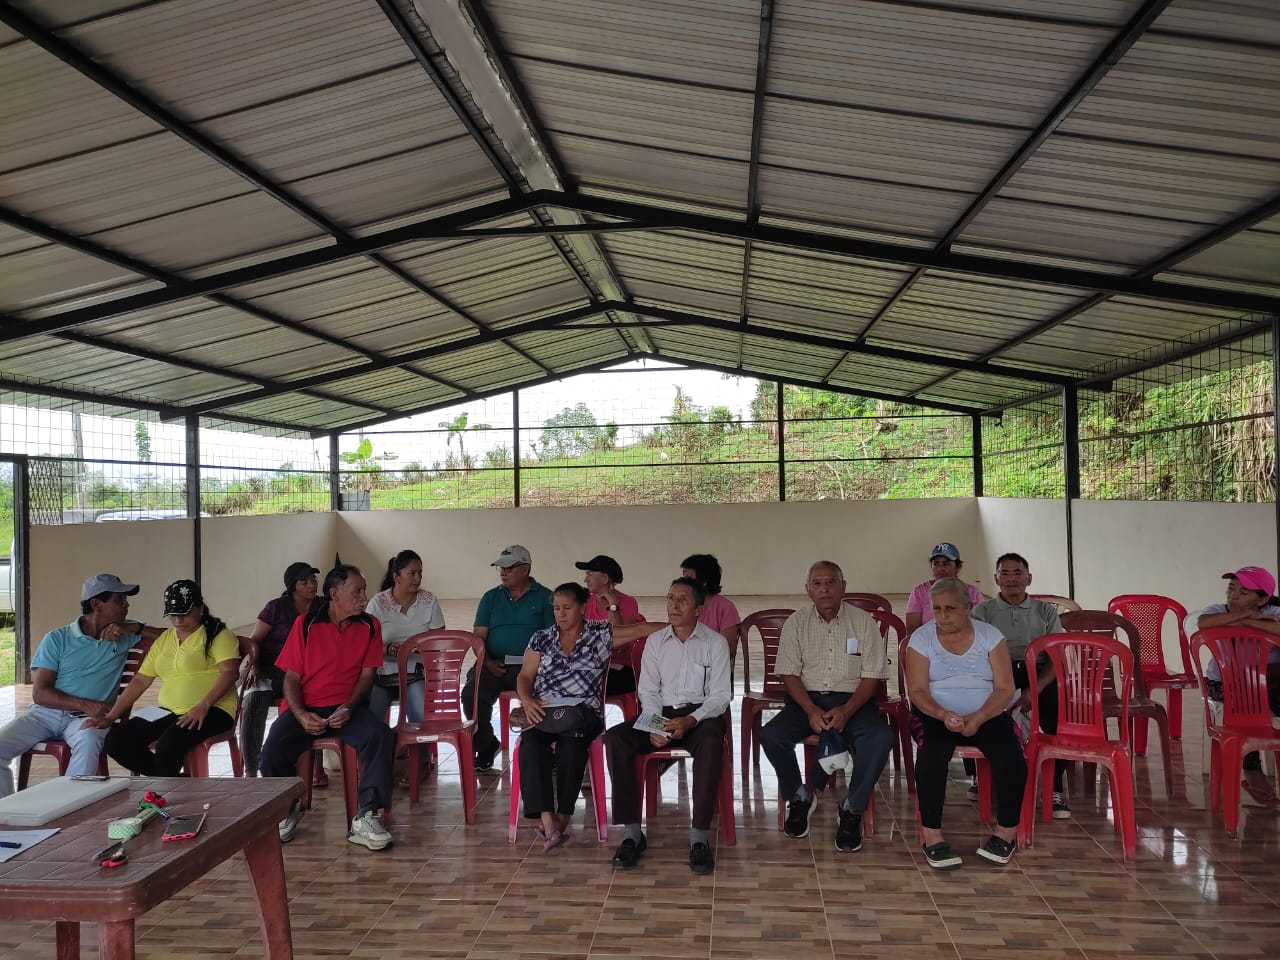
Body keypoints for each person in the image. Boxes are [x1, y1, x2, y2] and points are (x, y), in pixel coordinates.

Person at [260, 564, 395, 851]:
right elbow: (291, 678)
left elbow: (367, 676)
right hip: (306, 708)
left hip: (347, 708)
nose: (364, 597)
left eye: (364, 591)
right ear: (334, 594)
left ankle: (366, 815)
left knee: (380, 735)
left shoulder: (370, 625)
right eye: (357, 591)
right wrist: (300, 715)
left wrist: (349, 706)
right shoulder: (306, 624)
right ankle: (287, 808)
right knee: (271, 752)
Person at [516, 583, 660, 852]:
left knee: (572, 745)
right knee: (531, 744)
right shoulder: (541, 638)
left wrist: (683, 626)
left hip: (584, 712)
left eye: (567, 608)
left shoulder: (600, 634)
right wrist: (527, 700)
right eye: (556, 608)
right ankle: (547, 818)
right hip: (545, 710)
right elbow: (525, 676)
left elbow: (640, 630)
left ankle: (563, 817)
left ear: (583, 608)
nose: (560, 614)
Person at [761, 561, 894, 854]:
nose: (824, 589)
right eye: (817, 584)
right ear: (808, 590)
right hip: (806, 701)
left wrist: (847, 710)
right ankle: (799, 796)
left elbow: (872, 676)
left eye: (831, 582)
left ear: (843, 587)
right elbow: (789, 674)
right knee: (771, 735)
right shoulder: (796, 623)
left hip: (854, 701)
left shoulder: (863, 623)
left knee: (881, 737)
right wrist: (810, 709)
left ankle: (852, 807)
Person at [605, 578, 732, 875]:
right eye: (670, 598)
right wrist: (655, 724)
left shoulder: (715, 643)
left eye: (683, 600)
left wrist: (690, 720)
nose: (674, 605)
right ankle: (632, 833)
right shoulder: (656, 641)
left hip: (700, 716)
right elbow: (648, 691)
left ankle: (699, 837)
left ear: (699, 609)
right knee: (615, 739)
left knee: (711, 743)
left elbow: (720, 696)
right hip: (660, 713)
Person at [906, 577, 1027, 869]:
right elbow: (917, 690)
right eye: (937, 609)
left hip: (987, 712)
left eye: (950, 608)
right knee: (931, 758)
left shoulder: (990, 636)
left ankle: (1006, 833)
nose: (942, 616)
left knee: (1012, 757)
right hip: (935, 714)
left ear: (968, 607)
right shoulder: (921, 639)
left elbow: (1005, 688)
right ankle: (932, 836)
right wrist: (941, 714)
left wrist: (979, 717)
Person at [0, 574, 151, 797]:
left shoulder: (124, 635)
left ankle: (68, 806)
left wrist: (135, 628)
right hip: (45, 715)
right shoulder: (57, 638)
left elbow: (175, 636)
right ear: (96, 604)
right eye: (119, 599)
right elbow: (40, 693)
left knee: (89, 741)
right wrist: (82, 703)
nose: (126, 604)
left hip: (87, 719)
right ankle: (6, 810)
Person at [95, 580, 239, 776]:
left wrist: (203, 706)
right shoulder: (165, 639)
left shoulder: (217, 634)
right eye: (173, 615)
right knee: (117, 740)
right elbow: (141, 680)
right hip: (168, 711)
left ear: (200, 608)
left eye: (184, 613)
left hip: (213, 709)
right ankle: (172, 781)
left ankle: (167, 784)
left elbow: (230, 672)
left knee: (169, 742)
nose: (178, 621)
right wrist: (111, 716)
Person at [972, 553, 1068, 817]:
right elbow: (976, 655)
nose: (1011, 579)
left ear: (1029, 578)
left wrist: (1036, 689)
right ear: (996, 579)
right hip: (997, 672)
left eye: (1018, 573)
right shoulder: (982, 612)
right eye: (1004, 573)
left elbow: (1057, 657)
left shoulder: (1045, 611)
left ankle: (1054, 787)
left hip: (1037, 673)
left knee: (1057, 713)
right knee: (974, 705)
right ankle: (981, 776)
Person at [1185, 565, 1280, 804]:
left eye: (1243, 592)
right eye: (1231, 588)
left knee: (1266, 698)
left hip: (1269, 685)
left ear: (1263, 599)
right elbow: (1204, 623)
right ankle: (1251, 768)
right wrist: (1248, 617)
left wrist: (1247, 622)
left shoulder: (1274, 611)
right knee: (1245, 704)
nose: (1233, 595)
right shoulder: (1217, 611)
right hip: (1225, 685)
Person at [464, 545, 554, 770]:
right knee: (471, 694)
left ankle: (543, 749)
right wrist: (487, 662)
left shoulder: (545, 597)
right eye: (501, 568)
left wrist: (535, 664)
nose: (503, 572)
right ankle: (486, 744)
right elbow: (478, 637)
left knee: (546, 695)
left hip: (532, 665)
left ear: (525, 569)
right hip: (495, 662)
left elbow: (552, 638)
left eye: (509, 568)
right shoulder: (491, 597)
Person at [239, 561, 319, 777]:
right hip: (268, 669)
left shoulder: (322, 607)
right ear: (293, 586)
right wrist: (253, 667)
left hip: (303, 673)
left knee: (315, 701)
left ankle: (315, 769)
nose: (312, 585)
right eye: (305, 582)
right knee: (255, 699)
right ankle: (251, 768)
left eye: (313, 580)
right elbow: (254, 641)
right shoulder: (276, 607)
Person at [365, 549, 446, 724]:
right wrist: (387, 649)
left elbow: (439, 641)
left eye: (420, 573)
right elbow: (365, 645)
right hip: (383, 675)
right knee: (371, 720)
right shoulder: (378, 603)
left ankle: (417, 742)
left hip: (417, 674)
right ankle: (385, 741)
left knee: (422, 720)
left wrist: (420, 649)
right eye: (412, 573)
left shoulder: (429, 601)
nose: (418, 578)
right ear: (397, 576)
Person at [577, 554, 644, 696]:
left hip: (618, 666)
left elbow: (619, 642)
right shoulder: (585, 602)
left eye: (589, 574)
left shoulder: (627, 602)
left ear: (604, 578)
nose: (585, 580)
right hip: (589, 664)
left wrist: (613, 605)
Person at [905, 543, 985, 634]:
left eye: (946, 564)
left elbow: (982, 627)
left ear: (958, 567)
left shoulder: (972, 592)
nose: (940, 568)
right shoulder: (919, 592)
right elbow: (912, 633)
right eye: (936, 564)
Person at [680, 554, 741, 652]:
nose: (683, 582)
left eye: (689, 578)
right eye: (683, 576)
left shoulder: (725, 607)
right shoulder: (680, 604)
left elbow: (729, 649)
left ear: (704, 581)